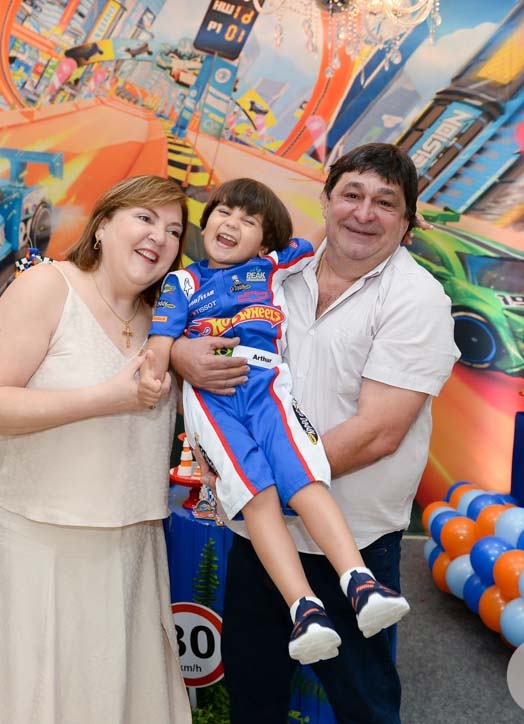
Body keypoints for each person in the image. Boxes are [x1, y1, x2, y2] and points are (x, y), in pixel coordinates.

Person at [171, 144, 460, 723]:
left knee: (362, 702)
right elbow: (208, 333)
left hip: (350, 537)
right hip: (262, 538)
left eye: (385, 202)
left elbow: (378, 433)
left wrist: (258, 479)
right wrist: (181, 353)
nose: (364, 213)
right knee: (254, 692)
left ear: (407, 222)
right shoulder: (275, 272)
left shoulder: (417, 298)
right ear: (325, 200)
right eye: (352, 194)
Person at [0, 175, 192, 723]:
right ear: (103, 225)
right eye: (145, 218)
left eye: (174, 230)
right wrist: (105, 398)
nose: (159, 237)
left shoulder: (164, 323)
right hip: (43, 546)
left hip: (132, 546)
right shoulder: (49, 287)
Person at [148, 178, 410, 666]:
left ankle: (361, 583)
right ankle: (303, 609)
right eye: (224, 212)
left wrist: (382, 217)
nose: (231, 223)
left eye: (248, 221)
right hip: (213, 399)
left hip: (268, 389)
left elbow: (319, 232)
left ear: (265, 243)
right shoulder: (182, 282)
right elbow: (160, 342)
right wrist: (156, 373)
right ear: (206, 222)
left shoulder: (271, 266)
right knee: (257, 497)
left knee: (304, 477)